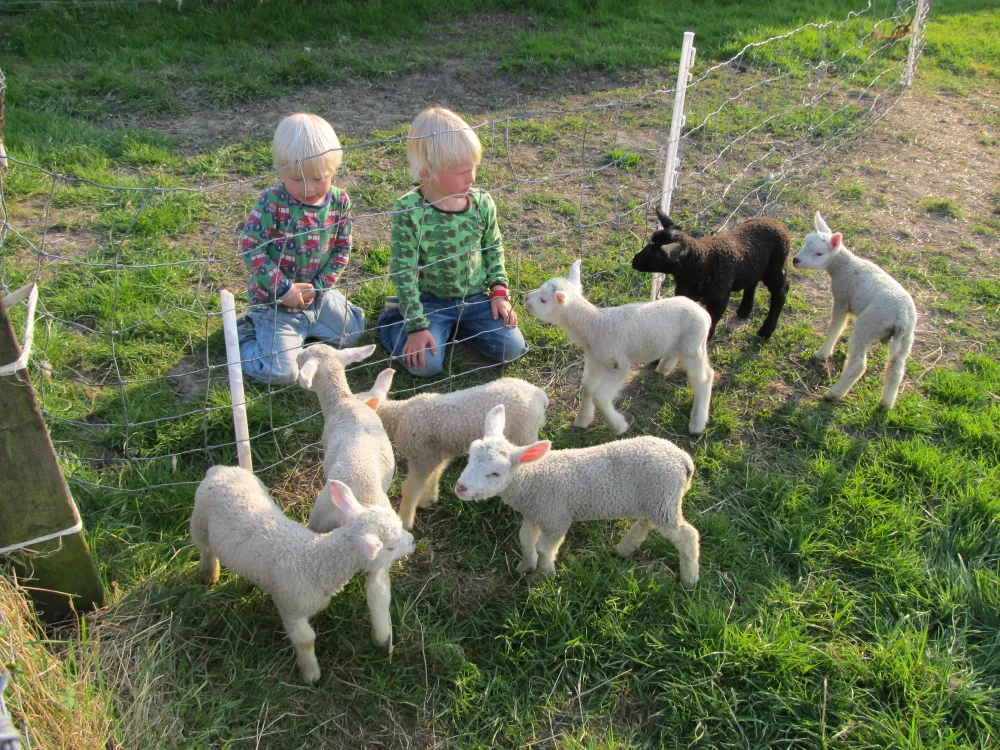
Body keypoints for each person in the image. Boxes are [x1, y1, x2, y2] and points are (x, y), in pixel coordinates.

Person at [377, 106, 528, 377]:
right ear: (426, 172)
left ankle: (453, 329)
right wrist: (416, 325)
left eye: (474, 168)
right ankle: (394, 321)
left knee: (512, 349)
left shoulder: (482, 202)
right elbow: (404, 272)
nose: (472, 178)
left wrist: (498, 291)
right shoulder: (409, 211)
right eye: (461, 172)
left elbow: (493, 247)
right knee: (427, 366)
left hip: (476, 298)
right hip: (429, 301)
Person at [237, 113, 364, 385]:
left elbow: (342, 249)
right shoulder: (272, 202)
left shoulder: (339, 200)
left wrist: (317, 287)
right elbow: (251, 247)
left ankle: (297, 335)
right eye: (297, 179)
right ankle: (245, 334)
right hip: (274, 304)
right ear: (281, 170)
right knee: (282, 373)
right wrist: (284, 289)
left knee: (353, 333)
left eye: (319, 178)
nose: (309, 188)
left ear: (333, 169)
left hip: (315, 296)